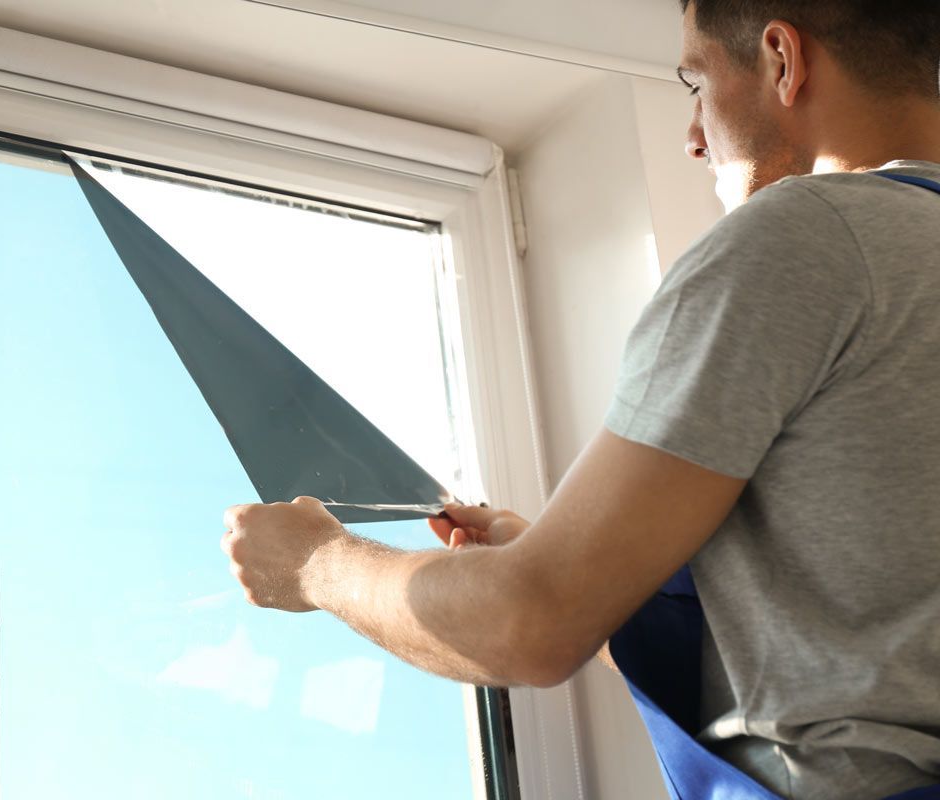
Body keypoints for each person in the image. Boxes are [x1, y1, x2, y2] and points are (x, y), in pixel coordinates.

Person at [220, 2, 940, 798]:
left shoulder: (803, 237)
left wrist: (314, 565)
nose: (694, 135)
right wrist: (588, 567)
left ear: (781, 58)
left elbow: (530, 626)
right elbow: (865, 612)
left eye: (696, 82)